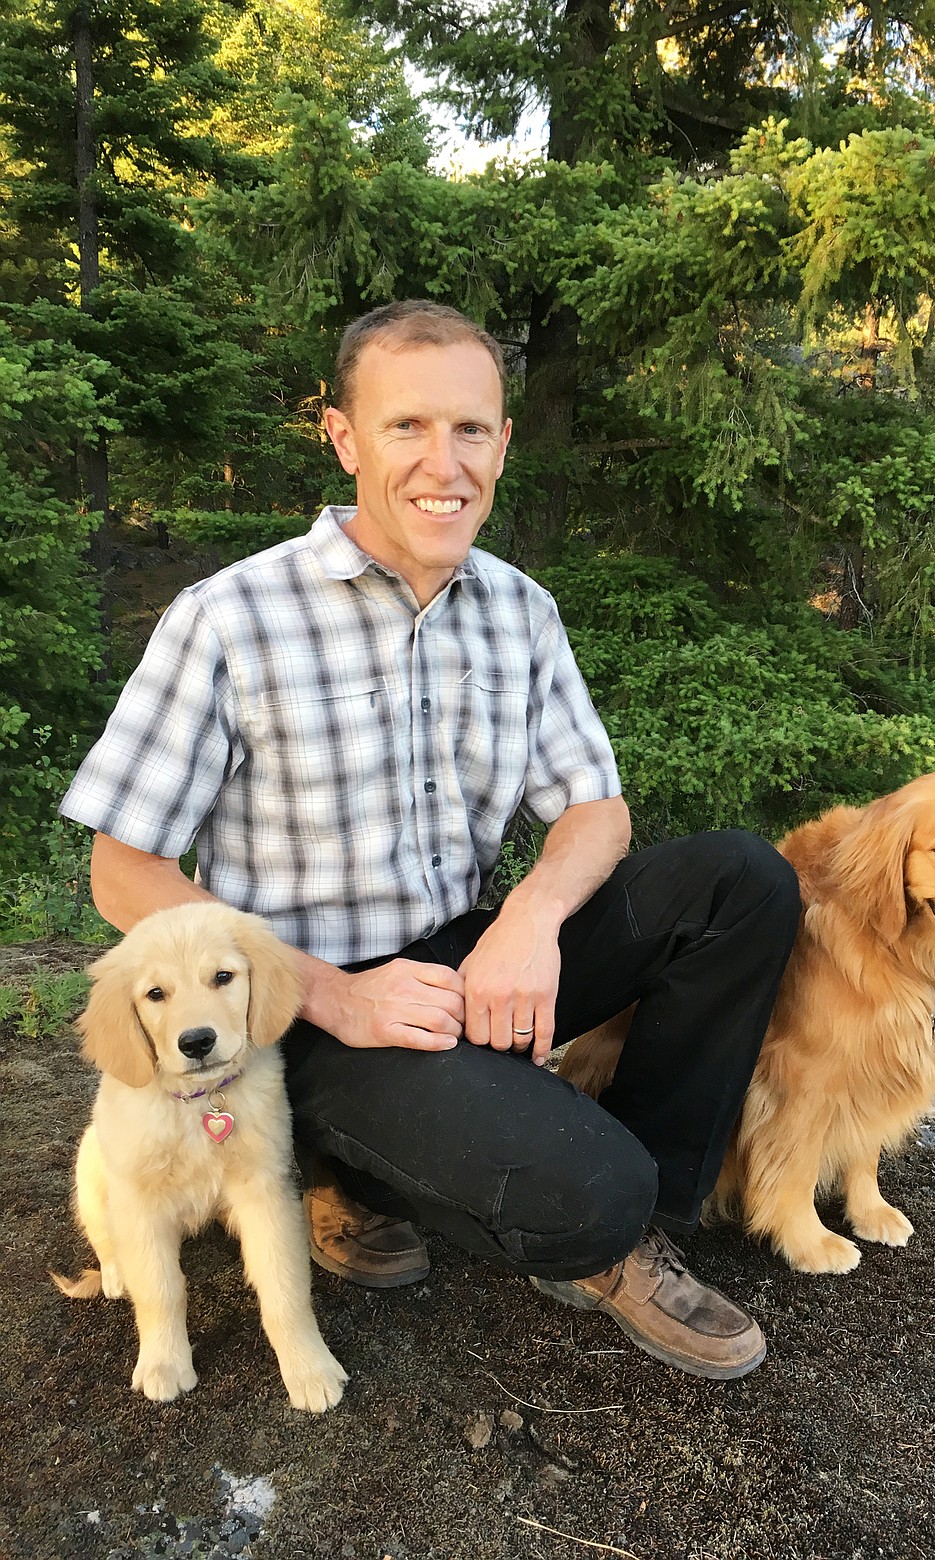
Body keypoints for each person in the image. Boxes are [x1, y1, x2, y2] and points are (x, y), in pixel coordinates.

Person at [60, 301, 801, 1380]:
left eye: (471, 429)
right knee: (576, 1189)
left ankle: (639, 1216)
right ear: (345, 437)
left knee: (742, 878)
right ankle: (348, 1166)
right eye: (407, 427)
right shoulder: (230, 619)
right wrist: (336, 998)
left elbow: (596, 810)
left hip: (465, 961)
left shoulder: (520, 610)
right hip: (309, 1010)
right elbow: (123, 870)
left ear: (504, 442)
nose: (441, 463)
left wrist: (531, 919)